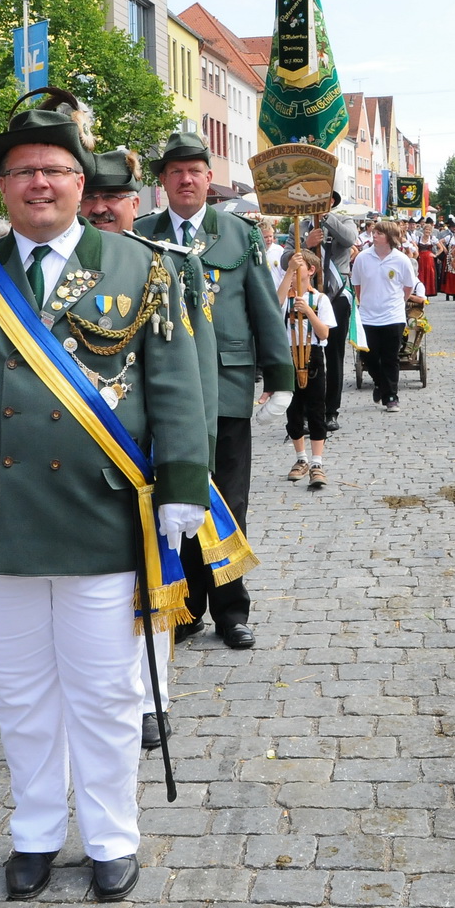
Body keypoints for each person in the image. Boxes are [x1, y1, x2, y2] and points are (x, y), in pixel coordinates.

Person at [0, 97, 211, 904]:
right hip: (0, 514)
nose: (40, 182)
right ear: (1, 186)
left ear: (81, 180)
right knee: (21, 689)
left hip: (99, 514)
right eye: (22, 170)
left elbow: (176, 389)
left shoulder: (142, 265)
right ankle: (34, 831)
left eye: (55, 169)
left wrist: (181, 486)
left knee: (106, 690)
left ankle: (111, 835)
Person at [137, 131, 293, 651]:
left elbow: (264, 309)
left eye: (195, 170)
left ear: (209, 178)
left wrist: (280, 379)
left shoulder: (238, 235)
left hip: (225, 388)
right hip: (162, 398)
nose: (186, 179)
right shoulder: (141, 236)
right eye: (175, 171)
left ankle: (231, 610)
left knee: (227, 503)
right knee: (170, 502)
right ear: (162, 182)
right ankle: (182, 607)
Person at [86, 144, 217, 751]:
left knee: (153, 585)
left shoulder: (168, 265)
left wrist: (193, 462)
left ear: (135, 203)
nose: (99, 208)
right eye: (90, 197)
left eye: (111, 197)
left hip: (144, 454)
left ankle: (149, 698)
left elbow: (192, 373)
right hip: (82, 459)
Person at [296, 196, 359, 433]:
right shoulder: (300, 226)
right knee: (303, 352)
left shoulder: (344, 220)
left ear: (331, 201)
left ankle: (331, 410)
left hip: (336, 294)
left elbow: (349, 239)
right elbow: (286, 260)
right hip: (307, 295)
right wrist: (305, 242)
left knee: (333, 356)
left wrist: (324, 218)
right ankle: (304, 412)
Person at [350, 220, 420, 413]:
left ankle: (391, 396)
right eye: (375, 232)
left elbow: (408, 287)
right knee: (368, 356)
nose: (374, 235)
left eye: (379, 233)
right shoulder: (363, 258)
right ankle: (380, 383)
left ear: (390, 237)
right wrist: (364, 301)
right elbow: (357, 285)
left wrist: (398, 303)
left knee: (390, 357)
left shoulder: (401, 260)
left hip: (393, 315)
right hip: (368, 315)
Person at [280, 250, 336, 488]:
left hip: (312, 354)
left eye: (297, 271)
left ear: (311, 271)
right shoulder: (287, 298)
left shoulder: (320, 299)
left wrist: (309, 312)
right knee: (293, 410)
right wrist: (290, 269)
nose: (292, 276)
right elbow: (275, 305)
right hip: (289, 354)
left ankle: (316, 462)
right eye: (290, 272)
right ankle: (300, 458)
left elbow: (324, 333)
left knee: (316, 409)